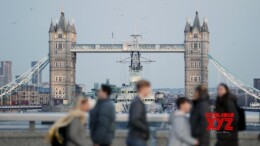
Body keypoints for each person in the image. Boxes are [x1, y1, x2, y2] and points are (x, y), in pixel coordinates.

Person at [126, 80, 150, 146]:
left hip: (136, 138)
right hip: (137, 138)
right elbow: (135, 119)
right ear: (142, 88)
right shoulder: (137, 102)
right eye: (148, 88)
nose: (149, 91)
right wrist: (146, 129)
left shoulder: (137, 101)